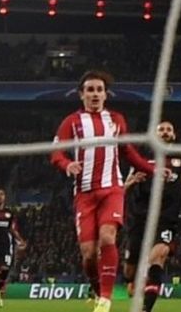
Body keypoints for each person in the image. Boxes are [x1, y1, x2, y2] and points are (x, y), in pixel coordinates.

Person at [50, 70, 167, 312]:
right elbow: (56, 153)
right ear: (81, 95)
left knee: (107, 238)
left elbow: (128, 152)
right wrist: (67, 164)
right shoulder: (71, 122)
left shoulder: (116, 120)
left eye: (99, 90)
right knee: (88, 254)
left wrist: (153, 169)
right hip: (84, 194)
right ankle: (96, 289)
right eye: (90, 90)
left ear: (106, 94)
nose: (95, 94)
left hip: (112, 189)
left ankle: (105, 299)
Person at [122, 120, 181, 312]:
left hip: (167, 218)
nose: (165, 132)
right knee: (129, 273)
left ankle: (145, 309)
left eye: (169, 129)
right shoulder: (141, 157)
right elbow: (123, 189)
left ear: (174, 135)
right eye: (161, 129)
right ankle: (135, 277)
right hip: (140, 218)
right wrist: (132, 182)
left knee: (158, 257)